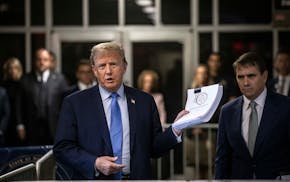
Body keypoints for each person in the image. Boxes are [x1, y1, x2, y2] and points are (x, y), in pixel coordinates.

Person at [53, 42, 188, 180]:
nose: (108, 71)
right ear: (94, 70)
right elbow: (62, 148)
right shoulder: (75, 103)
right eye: (102, 66)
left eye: (113, 64)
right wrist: (95, 162)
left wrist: (175, 129)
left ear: (124, 66)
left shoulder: (144, 101)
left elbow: (154, 148)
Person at [215, 52, 290, 179]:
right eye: (240, 77)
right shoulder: (227, 111)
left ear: (264, 76)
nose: (245, 83)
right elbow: (222, 158)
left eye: (251, 76)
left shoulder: (285, 106)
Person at [21, 48, 68, 145]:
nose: (42, 62)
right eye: (39, 59)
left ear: (50, 62)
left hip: (54, 127)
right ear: (34, 61)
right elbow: (19, 104)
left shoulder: (60, 79)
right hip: (31, 127)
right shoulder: (25, 79)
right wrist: (20, 125)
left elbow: (66, 104)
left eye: (45, 59)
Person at [186, 64, 215, 179]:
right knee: (197, 167)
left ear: (208, 75)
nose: (202, 76)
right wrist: (194, 128)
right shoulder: (191, 91)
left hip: (209, 134)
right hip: (194, 135)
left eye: (204, 73)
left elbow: (215, 112)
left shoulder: (213, 91)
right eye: (199, 73)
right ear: (196, 75)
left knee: (210, 167)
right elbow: (187, 110)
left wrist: (202, 128)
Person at [2, 57, 25, 146]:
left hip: (19, 123)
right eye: (10, 68)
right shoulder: (3, 85)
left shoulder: (22, 85)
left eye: (15, 68)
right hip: (6, 122)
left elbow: (21, 107)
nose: (12, 71)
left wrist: (20, 125)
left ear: (19, 70)